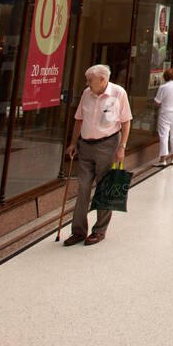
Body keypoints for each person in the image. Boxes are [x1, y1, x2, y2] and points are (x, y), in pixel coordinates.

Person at [64, 64, 132, 247]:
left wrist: (122, 147)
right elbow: (79, 119)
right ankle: (78, 231)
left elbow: (126, 122)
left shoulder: (118, 93)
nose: (87, 83)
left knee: (104, 188)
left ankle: (99, 230)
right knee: (83, 188)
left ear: (103, 80)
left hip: (107, 145)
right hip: (85, 145)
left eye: (90, 80)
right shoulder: (87, 93)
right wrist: (73, 142)